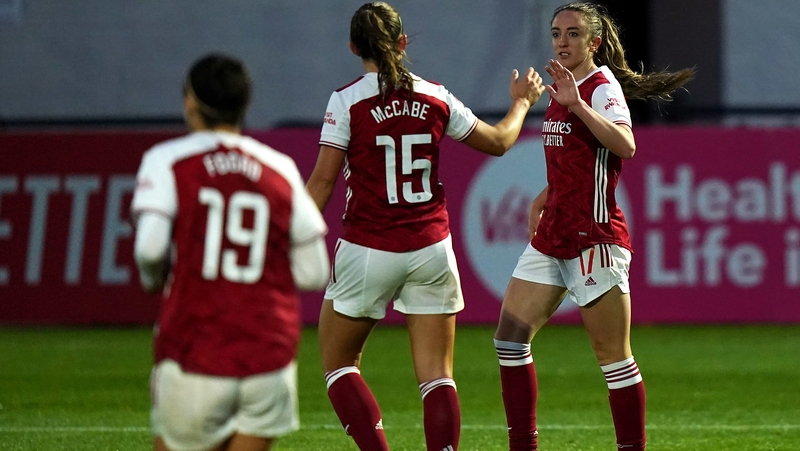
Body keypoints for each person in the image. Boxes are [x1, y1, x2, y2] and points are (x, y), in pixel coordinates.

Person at [304, 3, 545, 450]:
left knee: (340, 365)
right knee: (437, 377)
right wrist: (522, 102)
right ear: (402, 42)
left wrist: (288, 236)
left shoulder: (347, 101)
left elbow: (322, 180)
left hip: (367, 248)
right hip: (431, 248)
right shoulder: (434, 95)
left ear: (355, 47)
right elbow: (497, 142)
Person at [492, 3, 695, 451]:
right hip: (554, 235)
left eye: (573, 34)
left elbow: (626, 145)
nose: (563, 41)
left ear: (594, 42)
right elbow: (575, 159)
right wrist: (543, 197)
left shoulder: (600, 89)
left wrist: (579, 106)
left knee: (613, 359)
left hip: (594, 238)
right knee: (509, 340)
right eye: (556, 34)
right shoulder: (564, 87)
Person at [131, 53, 330, 451]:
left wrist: (158, 281)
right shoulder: (279, 167)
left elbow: (150, 250)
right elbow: (313, 272)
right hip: (270, 355)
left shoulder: (167, 161)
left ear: (191, 102)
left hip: (197, 347)